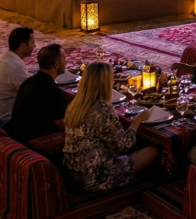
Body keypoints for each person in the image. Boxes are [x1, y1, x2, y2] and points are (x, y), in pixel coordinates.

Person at [63, 62, 159, 192]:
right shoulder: (102, 110)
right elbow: (123, 146)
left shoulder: (75, 105)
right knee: (153, 151)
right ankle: (149, 189)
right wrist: (138, 120)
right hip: (97, 176)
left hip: (73, 174)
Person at [5, 44, 69, 145]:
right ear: (57, 64)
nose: (66, 62)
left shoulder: (28, 82)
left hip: (15, 137)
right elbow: (62, 124)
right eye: (64, 59)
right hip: (33, 145)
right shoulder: (53, 91)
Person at [0, 27, 35, 127]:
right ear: (23, 46)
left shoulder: (0, 58)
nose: (34, 46)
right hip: (0, 122)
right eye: (32, 43)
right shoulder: (16, 66)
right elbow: (30, 97)